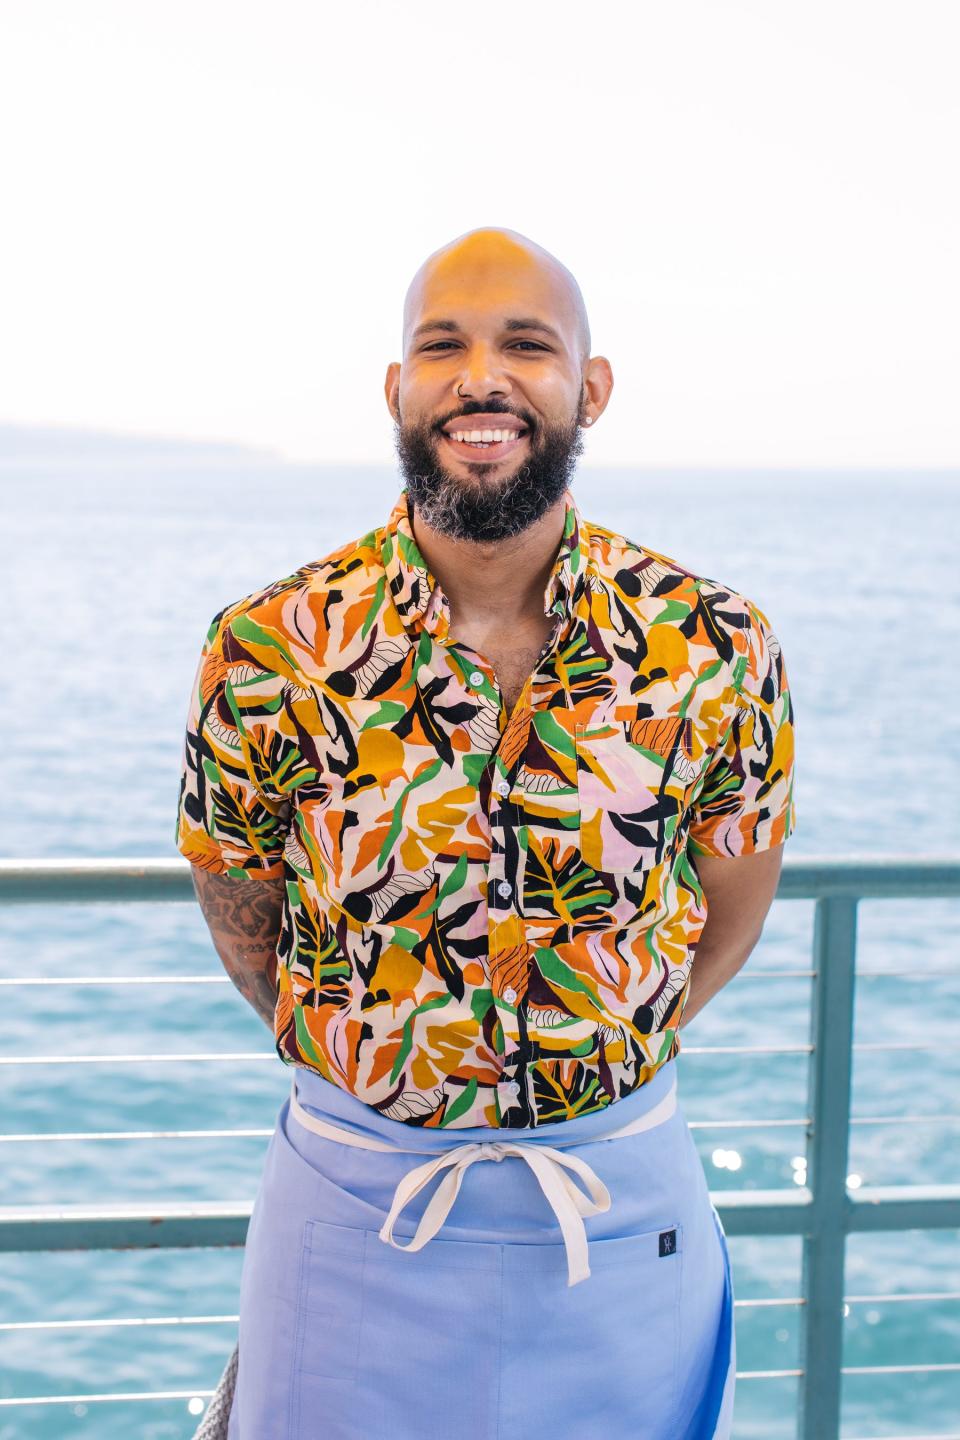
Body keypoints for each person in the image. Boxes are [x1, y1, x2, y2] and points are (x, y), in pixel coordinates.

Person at [175, 226, 797, 1440]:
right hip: (355, 1214)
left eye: (527, 344)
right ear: (398, 388)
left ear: (590, 387)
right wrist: (397, 1070)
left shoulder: (718, 646)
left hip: (616, 1211)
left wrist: (584, 1048)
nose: (482, 377)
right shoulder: (267, 647)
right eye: (441, 345)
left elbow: (733, 914)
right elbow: (245, 926)